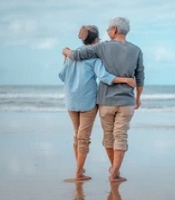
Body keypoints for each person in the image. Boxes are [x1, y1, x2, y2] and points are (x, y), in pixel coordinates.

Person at [62, 17, 145, 182]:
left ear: (114, 30)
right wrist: (137, 96)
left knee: (102, 135)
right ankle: (113, 171)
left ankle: (97, 168)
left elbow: (72, 62)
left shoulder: (100, 48)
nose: (107, 33)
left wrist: (65, 52)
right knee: (118, 136)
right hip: (116, 101)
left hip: (95, 101)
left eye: (108, 30)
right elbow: (137, 76)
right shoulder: (136, 50)